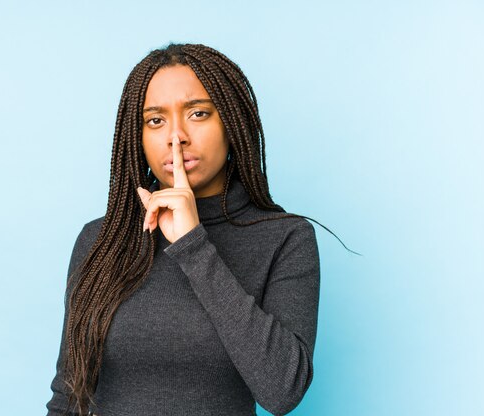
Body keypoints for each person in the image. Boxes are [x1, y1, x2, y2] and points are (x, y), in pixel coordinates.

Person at [45, 43, 349, 416]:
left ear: (232, 124)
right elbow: (68, 397)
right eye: (155, 120)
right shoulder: (100, 240)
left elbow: (282, 391)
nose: (177, 137)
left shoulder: (285, 238)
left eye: (199, 114)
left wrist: (193, 246)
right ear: (137, 138)